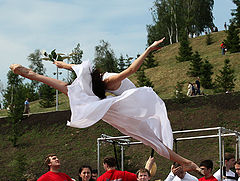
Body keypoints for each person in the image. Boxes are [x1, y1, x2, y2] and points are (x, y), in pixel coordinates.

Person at [10, 38, 200, 174]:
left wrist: (26, 71)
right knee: (151, 138)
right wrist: (149, 49)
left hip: (114, 111)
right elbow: (132, 69)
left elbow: (41, 77)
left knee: (150, 139)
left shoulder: (79, 91)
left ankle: (186, 162)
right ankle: (186, 162)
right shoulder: (107, 82)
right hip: (119, 108)